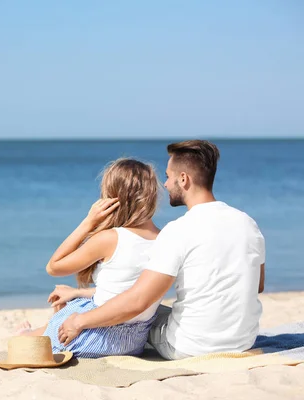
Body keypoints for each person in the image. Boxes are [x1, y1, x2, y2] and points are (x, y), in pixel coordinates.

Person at [58, 140, 266, 360]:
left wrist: (79, 321)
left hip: (189, 347)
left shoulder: (178, 230)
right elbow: (258, 285)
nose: (165, 185)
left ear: (183, 179)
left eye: (168, 176)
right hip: (243, 341)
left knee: (141, 315)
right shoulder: (248, 222)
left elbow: (138, 301)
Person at [17, 158, 163, 358]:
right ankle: (51, 324)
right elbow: (127, 290)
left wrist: (89, 221)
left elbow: (53, 267)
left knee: (27, 337)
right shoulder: (165, 240)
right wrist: (78, 293)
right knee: (69, 304)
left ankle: (30, 333)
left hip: (97, 338)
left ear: (112, 198)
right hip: (133, 342)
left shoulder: (111, 238)